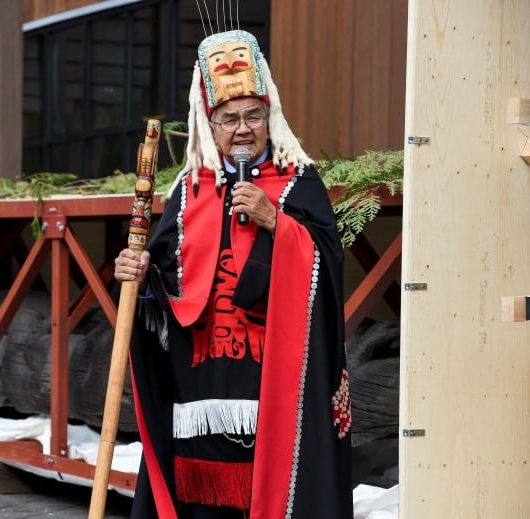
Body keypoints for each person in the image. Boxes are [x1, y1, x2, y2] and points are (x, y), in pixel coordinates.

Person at [113, 29, 353, 518]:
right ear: (209, 124)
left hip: (274, 392)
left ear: (271, 118)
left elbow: (328, 272)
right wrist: (138, 277)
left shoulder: (300, 184)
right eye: (229, 119)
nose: (242, 130)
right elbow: (165, 292)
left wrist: (277, 225)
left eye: (253, 116)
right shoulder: (188, 192)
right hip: (199, 391)